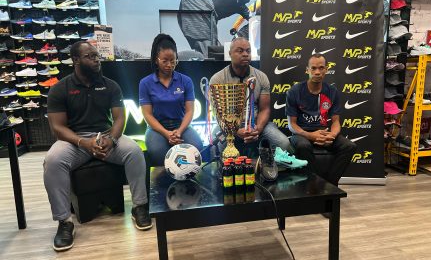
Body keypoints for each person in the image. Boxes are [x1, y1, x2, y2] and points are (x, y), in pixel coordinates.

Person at [44, 42, 152, 252]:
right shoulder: (60, 89)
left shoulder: (110, 85)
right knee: (53, 161)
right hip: (74, 141)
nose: (96, 59)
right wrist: (83, 142)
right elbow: (57, 127)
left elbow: (120, 118)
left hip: (105, 137)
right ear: (76, 60)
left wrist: (111, 139)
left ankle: (139, 206)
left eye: (97, 55)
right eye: (90, 56)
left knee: (134, 151)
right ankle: (64, 222)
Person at [209, 37, 302, 180]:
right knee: (217, 146)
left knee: (284, 143)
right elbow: (218, 114)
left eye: (248, 51)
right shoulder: (218, 79)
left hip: (257, 125)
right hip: (228, 126)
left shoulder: (261, 77)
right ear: (230, 54)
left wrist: (257, 129)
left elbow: (264, 109)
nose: (245, 54)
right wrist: (236, 131)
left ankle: (267, 167)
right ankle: (227, 176)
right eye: (239, 51)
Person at [286, 54, 357, 186]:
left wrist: (332, 134)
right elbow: (292, 125)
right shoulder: (295, 91)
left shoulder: (332, 91)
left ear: (326, 69)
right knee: (303, 146)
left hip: (323, 132)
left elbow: (335, 122)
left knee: (349, 146)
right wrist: (309, 135)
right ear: (307, 70)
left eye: (321, 68)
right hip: (301, 133)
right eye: (313, 68)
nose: (317, 72)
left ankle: (328, 185)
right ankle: (312, 184)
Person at [139, 34, 203, 166]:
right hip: (157, 128)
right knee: (158, 152)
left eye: (173, 61)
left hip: (181, 126)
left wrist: (178, 131)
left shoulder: (185, 81)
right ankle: (163, 184)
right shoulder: (145, 83)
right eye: (165, 61)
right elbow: (147, 115)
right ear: (156, 60)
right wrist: (167, 134)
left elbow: (190, 111)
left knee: (196, 146)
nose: (169, 65)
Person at [177, 0, 256, 56]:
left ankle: (235, 44)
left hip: (206, 12)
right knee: (211, 52)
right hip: (198, 2)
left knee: (213, 50)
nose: (247, 0)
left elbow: (254, 20)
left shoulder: (241, 6)